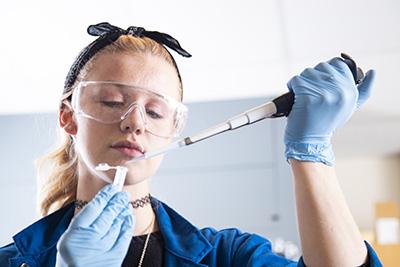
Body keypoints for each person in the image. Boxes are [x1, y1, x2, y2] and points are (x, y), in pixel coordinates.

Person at [0, 22, 382, 267]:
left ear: (172, 128)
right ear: (68, 116)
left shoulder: (229, 257)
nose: (134, 120)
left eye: (155, 111)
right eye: (112, 101)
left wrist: (310, 150)